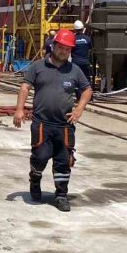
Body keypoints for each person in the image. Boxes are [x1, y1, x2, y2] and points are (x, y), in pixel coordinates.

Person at [13, 29, 92, 211]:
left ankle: (61, 195)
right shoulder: (38, 67)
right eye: (61, 47)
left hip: (65, 125)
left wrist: (78, 110)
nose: (64, 52)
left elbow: (87, 90)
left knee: (63, 161)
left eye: (67, 49)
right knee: (40, 156)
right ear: (54, 46)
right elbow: (25, 87)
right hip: (42, 124)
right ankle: (35, 178)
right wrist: (19, 110)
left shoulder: (75, 70)